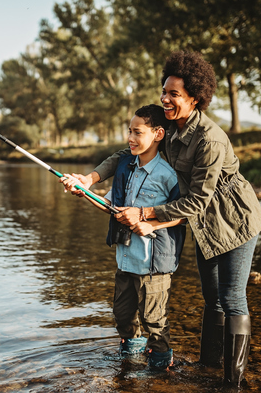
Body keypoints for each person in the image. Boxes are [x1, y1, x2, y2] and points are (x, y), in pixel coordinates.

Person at [64, 51, 261, 387]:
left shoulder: (210, 139)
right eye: (164, 91)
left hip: (235, 220)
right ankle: (208, 367)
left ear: (195, 99)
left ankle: (234, 383)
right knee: (211, 297)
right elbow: (124, 154)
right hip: (202, 224)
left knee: (231, 297)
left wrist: (145, 214)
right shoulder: (167, 126)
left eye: (174, 94)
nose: (165, 99)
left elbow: (199, 199)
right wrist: (90, 180)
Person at [62, 104, 186, 371]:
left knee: (154, 321)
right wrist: (84, 192)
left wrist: (151, 225)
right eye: (129, 131)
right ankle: (130, 360)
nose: (130, 138)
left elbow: (185, 215)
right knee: (122, 317)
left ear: (158, 134)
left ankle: (161, 368)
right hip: (125, 261)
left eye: (137, 132)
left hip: (153, 265)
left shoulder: (168, 175)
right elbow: (110, 206)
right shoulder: (124, 167)